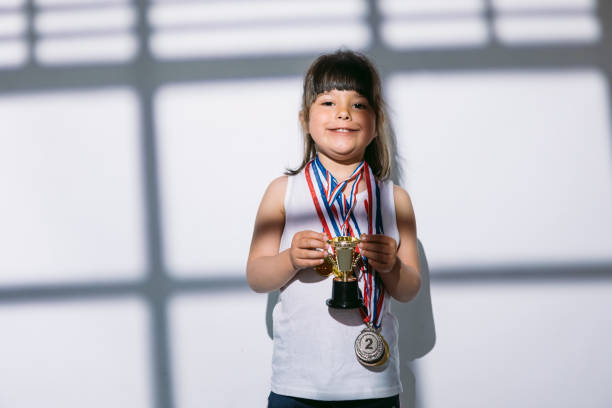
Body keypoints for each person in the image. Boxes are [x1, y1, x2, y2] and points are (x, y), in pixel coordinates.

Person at [246, 49, 421, 408]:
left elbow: (408, 289)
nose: (343, 112)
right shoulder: (283, 191)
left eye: (358, 104)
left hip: (373, 383)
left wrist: (391, 266)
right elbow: (256, 275)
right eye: (328, 102)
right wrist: (290, 259)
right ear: (304, 120)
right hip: (298, 384)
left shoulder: (395, 199)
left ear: (377, 123)